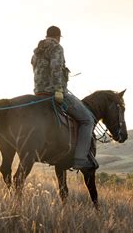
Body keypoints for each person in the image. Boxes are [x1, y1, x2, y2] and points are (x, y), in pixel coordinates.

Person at [31, 25, 97, 169]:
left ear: (46, 35)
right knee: (88, 119)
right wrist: (59, 90)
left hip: (38, 92)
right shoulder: (57, 48)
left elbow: (34, 68)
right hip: (54, 92)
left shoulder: (37, 50)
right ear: (58, 37)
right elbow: (55, 68)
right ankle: (80, 160)